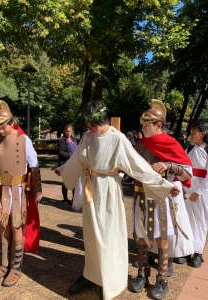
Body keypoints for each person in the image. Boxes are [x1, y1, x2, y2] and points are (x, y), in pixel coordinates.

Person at [54, 101, 181, 300]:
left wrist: (164, 185)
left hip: (108, 192)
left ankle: (111, 278)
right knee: (91, 236)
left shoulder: (118, 139)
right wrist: (63, 170)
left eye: (92, 126)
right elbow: (77, 159)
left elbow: (138, 166)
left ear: (101, 120)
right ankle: (92, 275)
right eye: (87, 127)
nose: (89, 130)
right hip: (91, 190)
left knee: (108, 236)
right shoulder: (88, 137)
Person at [131, 99, 193, 299]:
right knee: (141, 237)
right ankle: (142, 274)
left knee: (160, 238)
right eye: (142, 125)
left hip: (160, 198)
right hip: (140, 196)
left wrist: (169, 166)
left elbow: (188, 175)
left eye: (146, 125)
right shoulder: (140, 144)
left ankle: (162, 278)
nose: (143, 128)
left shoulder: (171, 143)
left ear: (159, 125)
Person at [0, 100, 42, 287]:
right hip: (1, 190)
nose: (1, 130)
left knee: (16, 226)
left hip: (18, 190)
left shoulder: (23, 139)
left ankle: (16, 267)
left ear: (11, 122)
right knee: (3, 226)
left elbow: (34, 165)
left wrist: (38, 190)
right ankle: (4, 264)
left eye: (4, 126)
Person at [183, 121, 208, 268]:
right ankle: (187, 248)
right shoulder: (189, 148)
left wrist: (198, 192)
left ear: (202, 134)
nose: (191, 135)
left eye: (194, 133)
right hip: (188, 188)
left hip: (202, 191)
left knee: (200, 220)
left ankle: (198, 252)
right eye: (191, 132)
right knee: (187, 219)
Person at [57, 124, 78, 205]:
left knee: (74, 182)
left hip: (75, 163)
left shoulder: (75, 140)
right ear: (64, 131)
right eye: (67, 131)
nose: (68, 133)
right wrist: (71, 155)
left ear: (72, 131)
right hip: (65, 163)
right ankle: (65, 199)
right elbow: (60, 152)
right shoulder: (61, 141)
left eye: (70, 131)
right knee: (65, 181)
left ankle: (74, 198)